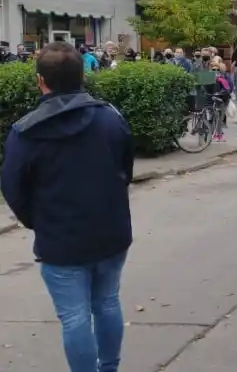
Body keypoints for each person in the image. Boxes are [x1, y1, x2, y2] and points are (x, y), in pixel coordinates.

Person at [1, 41, 134, 372]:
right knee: (107, 303)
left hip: (60, 240)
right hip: (110, 233)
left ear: (40, 81)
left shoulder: (26, 132)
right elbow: (125, 169)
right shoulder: (110, 118)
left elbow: (13, 188)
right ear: (82, 76)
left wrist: (39, 221)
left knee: (75, 317)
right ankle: (110, 368)